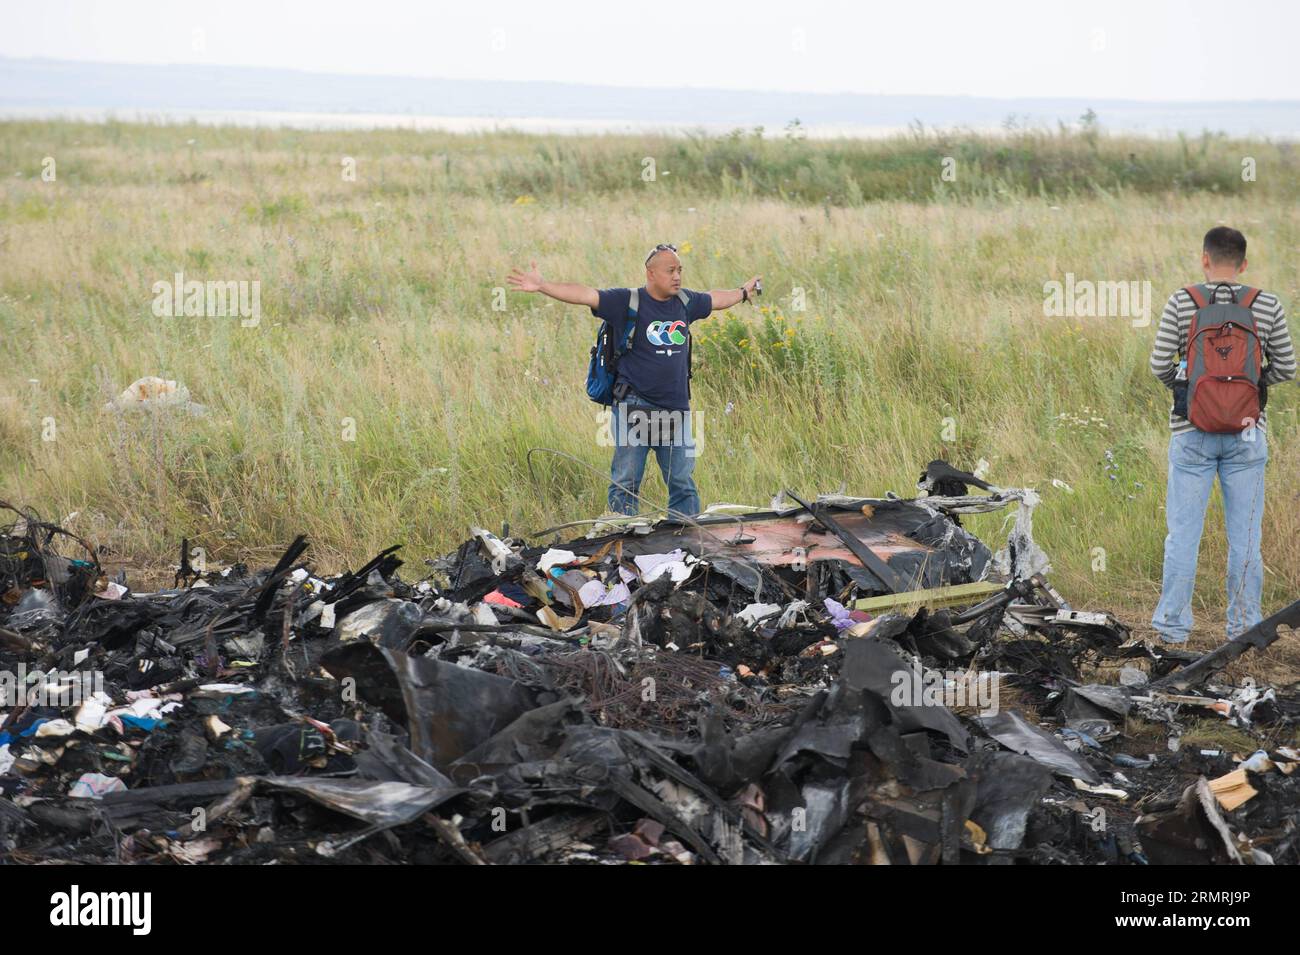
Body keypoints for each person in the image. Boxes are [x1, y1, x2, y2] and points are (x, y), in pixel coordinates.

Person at [508, 245, 760, 518]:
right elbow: (585, 294)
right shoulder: (626, 302)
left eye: (679, 270)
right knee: (626, 483)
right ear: (651, 273)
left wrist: (744, 292)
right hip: (633, 406)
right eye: (670, 271)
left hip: (675, 408)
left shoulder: (686, 302)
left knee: (681, 483)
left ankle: (685, 543)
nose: (677, 276)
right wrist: (543, 285)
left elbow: (716, 299)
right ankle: (623, 544)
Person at [1149, 226, 1295, 643]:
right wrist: (1246, 389)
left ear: (1205, 259)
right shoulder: (1266, 304)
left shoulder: (1182, 301)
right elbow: (1286, 368)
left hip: (1191, 432)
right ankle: (1244, 629)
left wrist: (1197, 392)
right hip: (1248, 434)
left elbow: (1159, 365)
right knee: (1246, 538)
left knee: (1182, 535)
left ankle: (1173, 630)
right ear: (1244, 264)